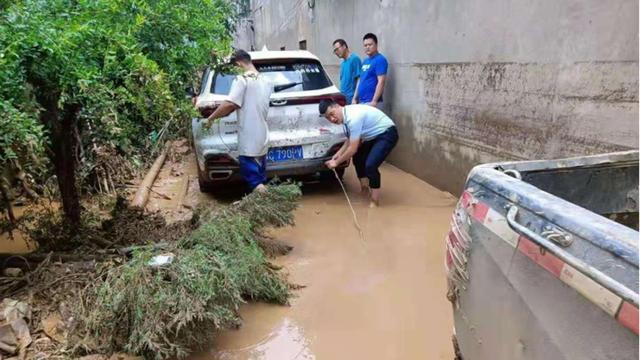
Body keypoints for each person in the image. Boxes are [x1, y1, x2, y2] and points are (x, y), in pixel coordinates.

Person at [204, 49, 272, 192]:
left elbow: (230, 104)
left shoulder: (242, 80)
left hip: (248, 139)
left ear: (239, 64)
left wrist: (211, 118)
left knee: (254, 181)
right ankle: (261, 207)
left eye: (234, 67)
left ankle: (267, 205)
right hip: (262, 137)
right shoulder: (266, 80)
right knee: (260, 177)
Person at [319, 99, 398, 207]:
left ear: (337, 106)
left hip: (387, 133)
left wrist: (336, 163)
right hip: (371, 136)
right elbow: (350, 139)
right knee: (358, 158)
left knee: (371, 165)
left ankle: (375, 201)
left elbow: (352, 148)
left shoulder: (353, 117)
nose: (332, 119)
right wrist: (338, 154)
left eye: (332, 114)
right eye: (328, 118)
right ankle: (365, 190)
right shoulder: (345, 116)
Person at [353, 33, 388, 109]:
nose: (367, 47)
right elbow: (360, 80)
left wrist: (374, 101)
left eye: (370, 45)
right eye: (365, 45)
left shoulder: (380, 60)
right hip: (362, 101)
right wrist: (354, 98)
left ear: (376, 45)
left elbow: (381, 81)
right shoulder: (365, 61)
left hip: (372, 103)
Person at [332, 39, 361, 104]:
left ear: (344, 46)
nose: (336, 52)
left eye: (337, 49)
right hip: (343, 98)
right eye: (334, 51)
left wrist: (355, 98)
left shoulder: (354, 59)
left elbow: (360, 79)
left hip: (352, 99)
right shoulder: (343, 63)